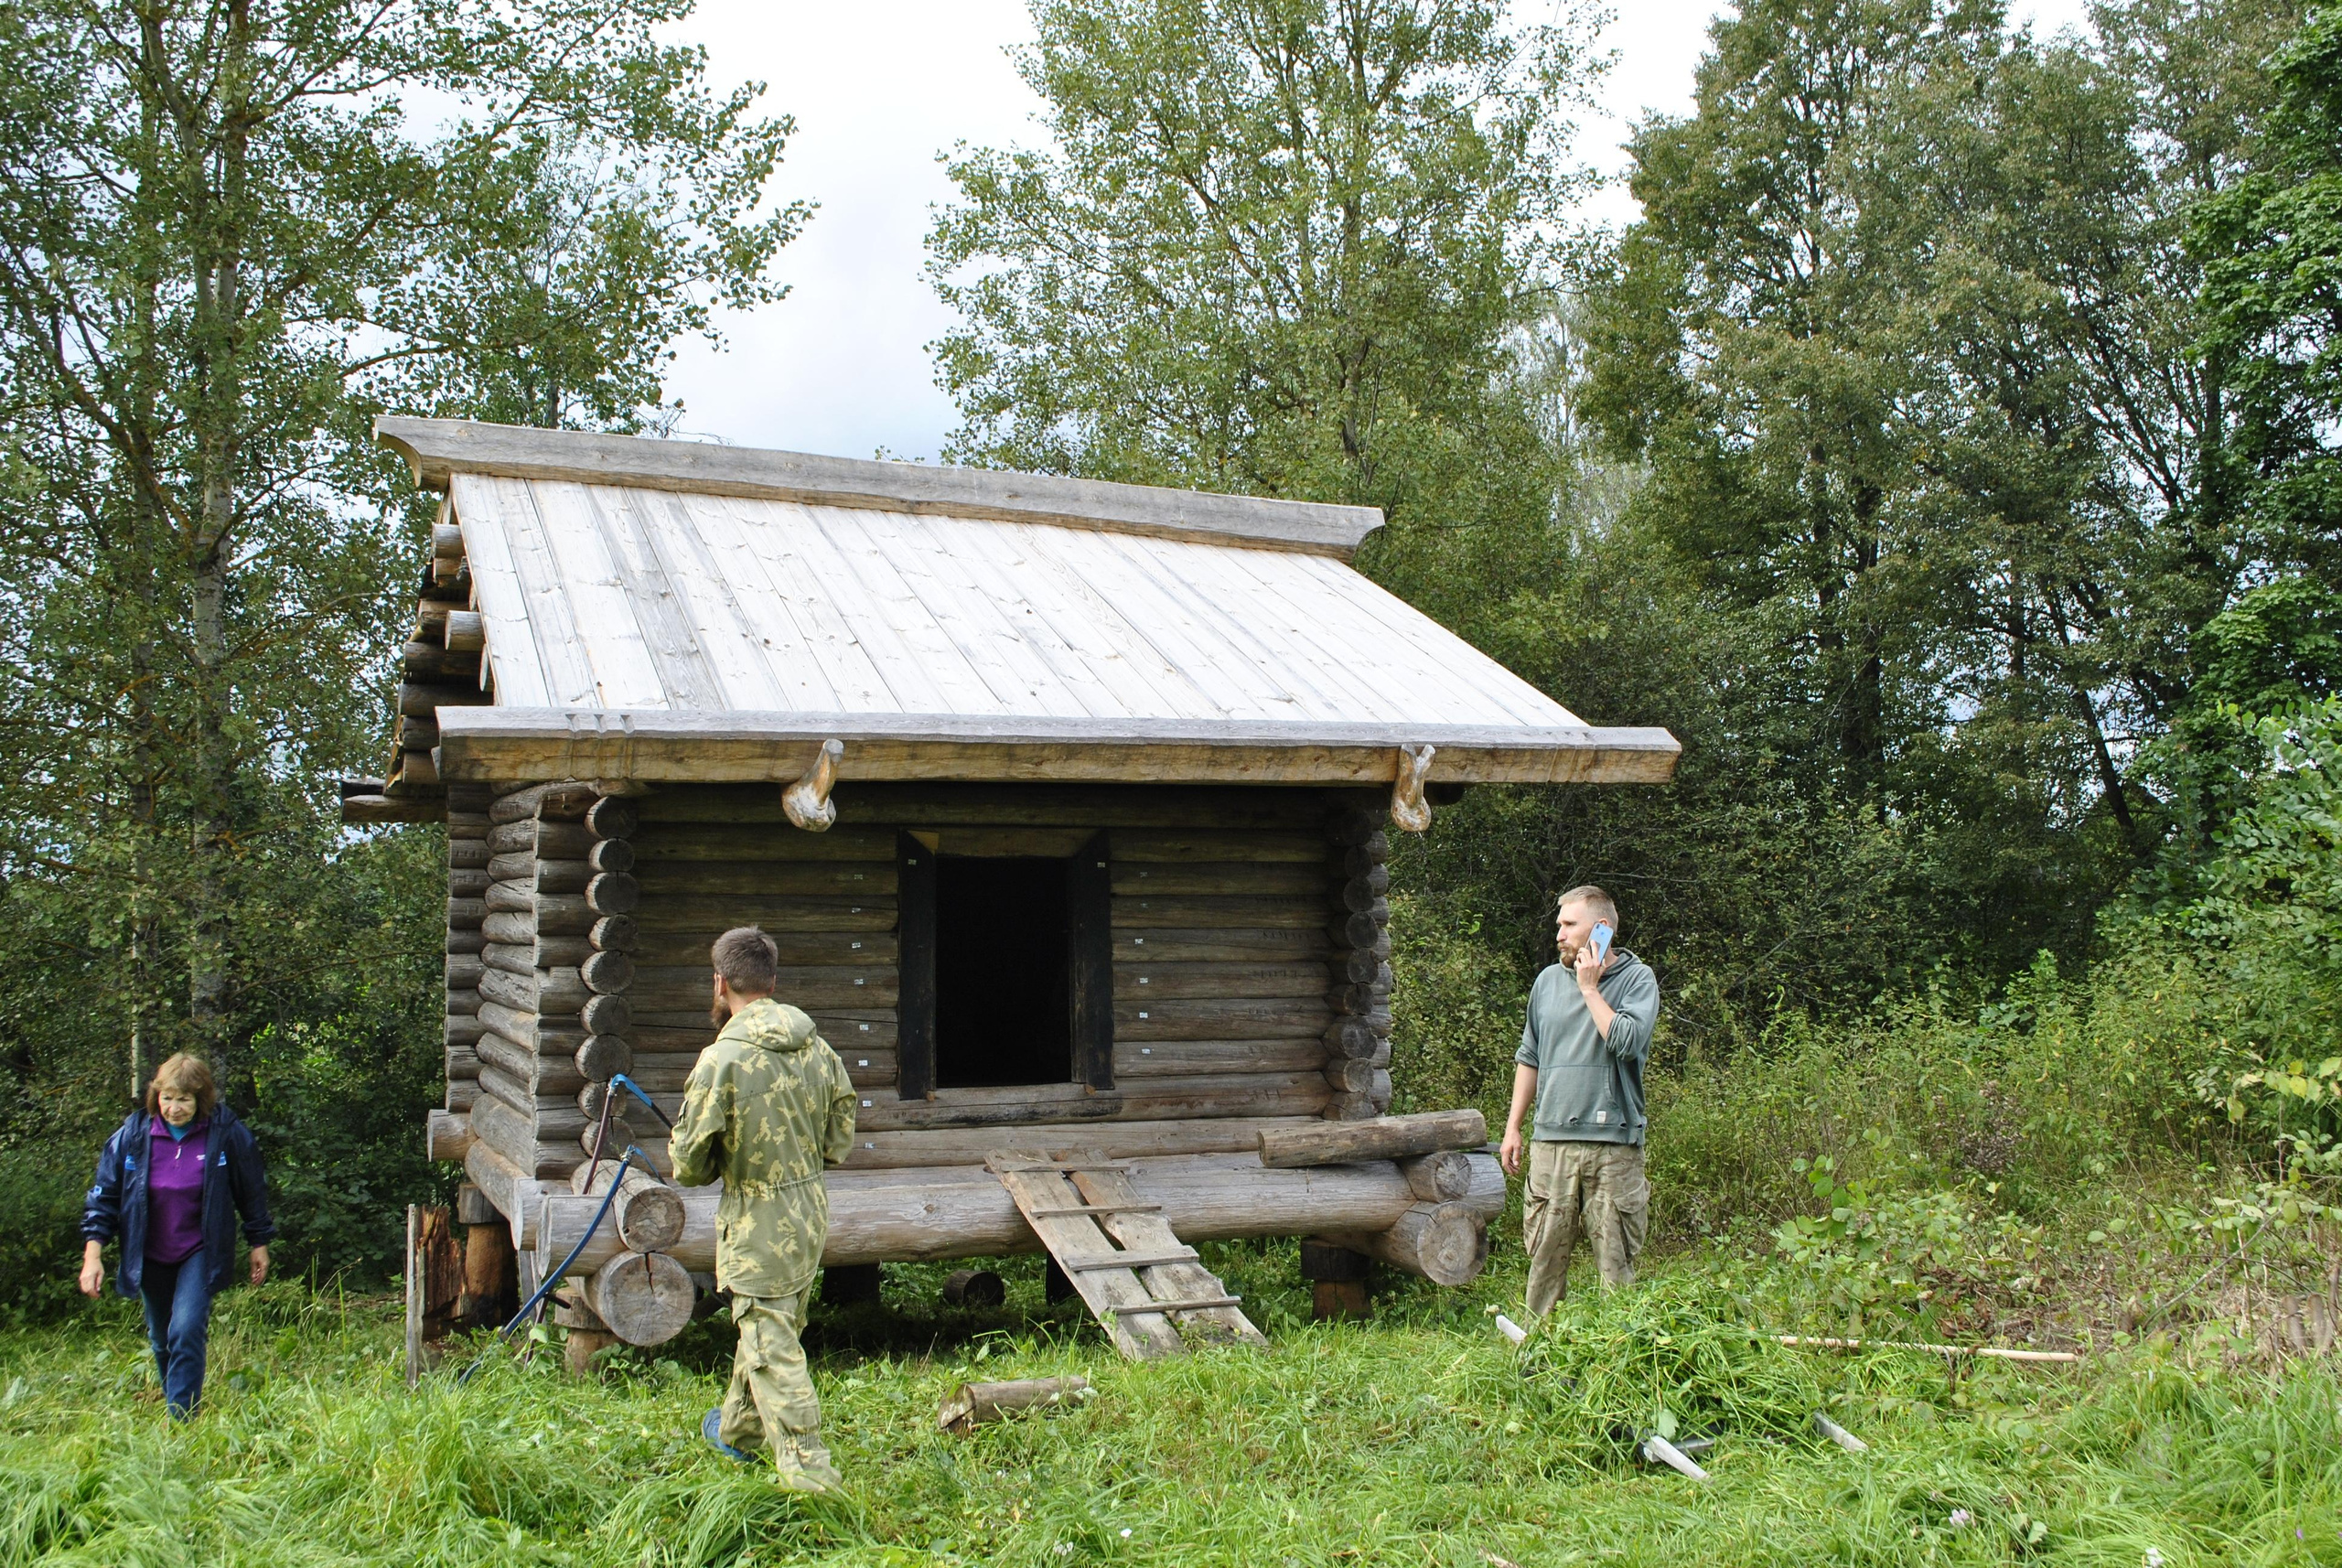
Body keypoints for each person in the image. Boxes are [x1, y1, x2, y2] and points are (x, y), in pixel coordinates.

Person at [671, 925, 858, 1491]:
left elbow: (689, 1165)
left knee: (771, 1345)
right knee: (771, 1326)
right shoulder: (816, 1046)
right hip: (808, 1211)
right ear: (772, 981)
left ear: (720, 982)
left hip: (756, 1221)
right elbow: (839, 1139)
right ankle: (738, 1432)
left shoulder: (720, 1060)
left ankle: (812, 1479)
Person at [78, 1052, 275, 1418]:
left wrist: (258, 1242)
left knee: (185, 1329)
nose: (174, 1108)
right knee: (161, 1337)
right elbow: (103, 1198)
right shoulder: (132, 1137)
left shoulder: (225, 1134)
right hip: (149, 1251)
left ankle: (182, 1420)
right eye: (167, 1098)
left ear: (201, 1099)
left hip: (199, 1249)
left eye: (184, 1099)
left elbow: (251, 1191)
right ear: (156, 1096)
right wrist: (93, 1256)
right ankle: (177, 1405)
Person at [1498, 886, 1660, 1316]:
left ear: (1601, 929)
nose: (1560, 935)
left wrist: (1591, 989)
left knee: (1616, 1267)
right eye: (1559, 925)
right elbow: (1529, 1057)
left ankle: (1621, 1362)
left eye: (1570, 925)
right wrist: (1514, 1127)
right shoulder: (1547, 983)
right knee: (1544, 1263)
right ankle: (1538, 1357)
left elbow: (1626, 1042)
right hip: (1551, 1143)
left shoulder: (1637, 980)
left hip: (1614, 1147)